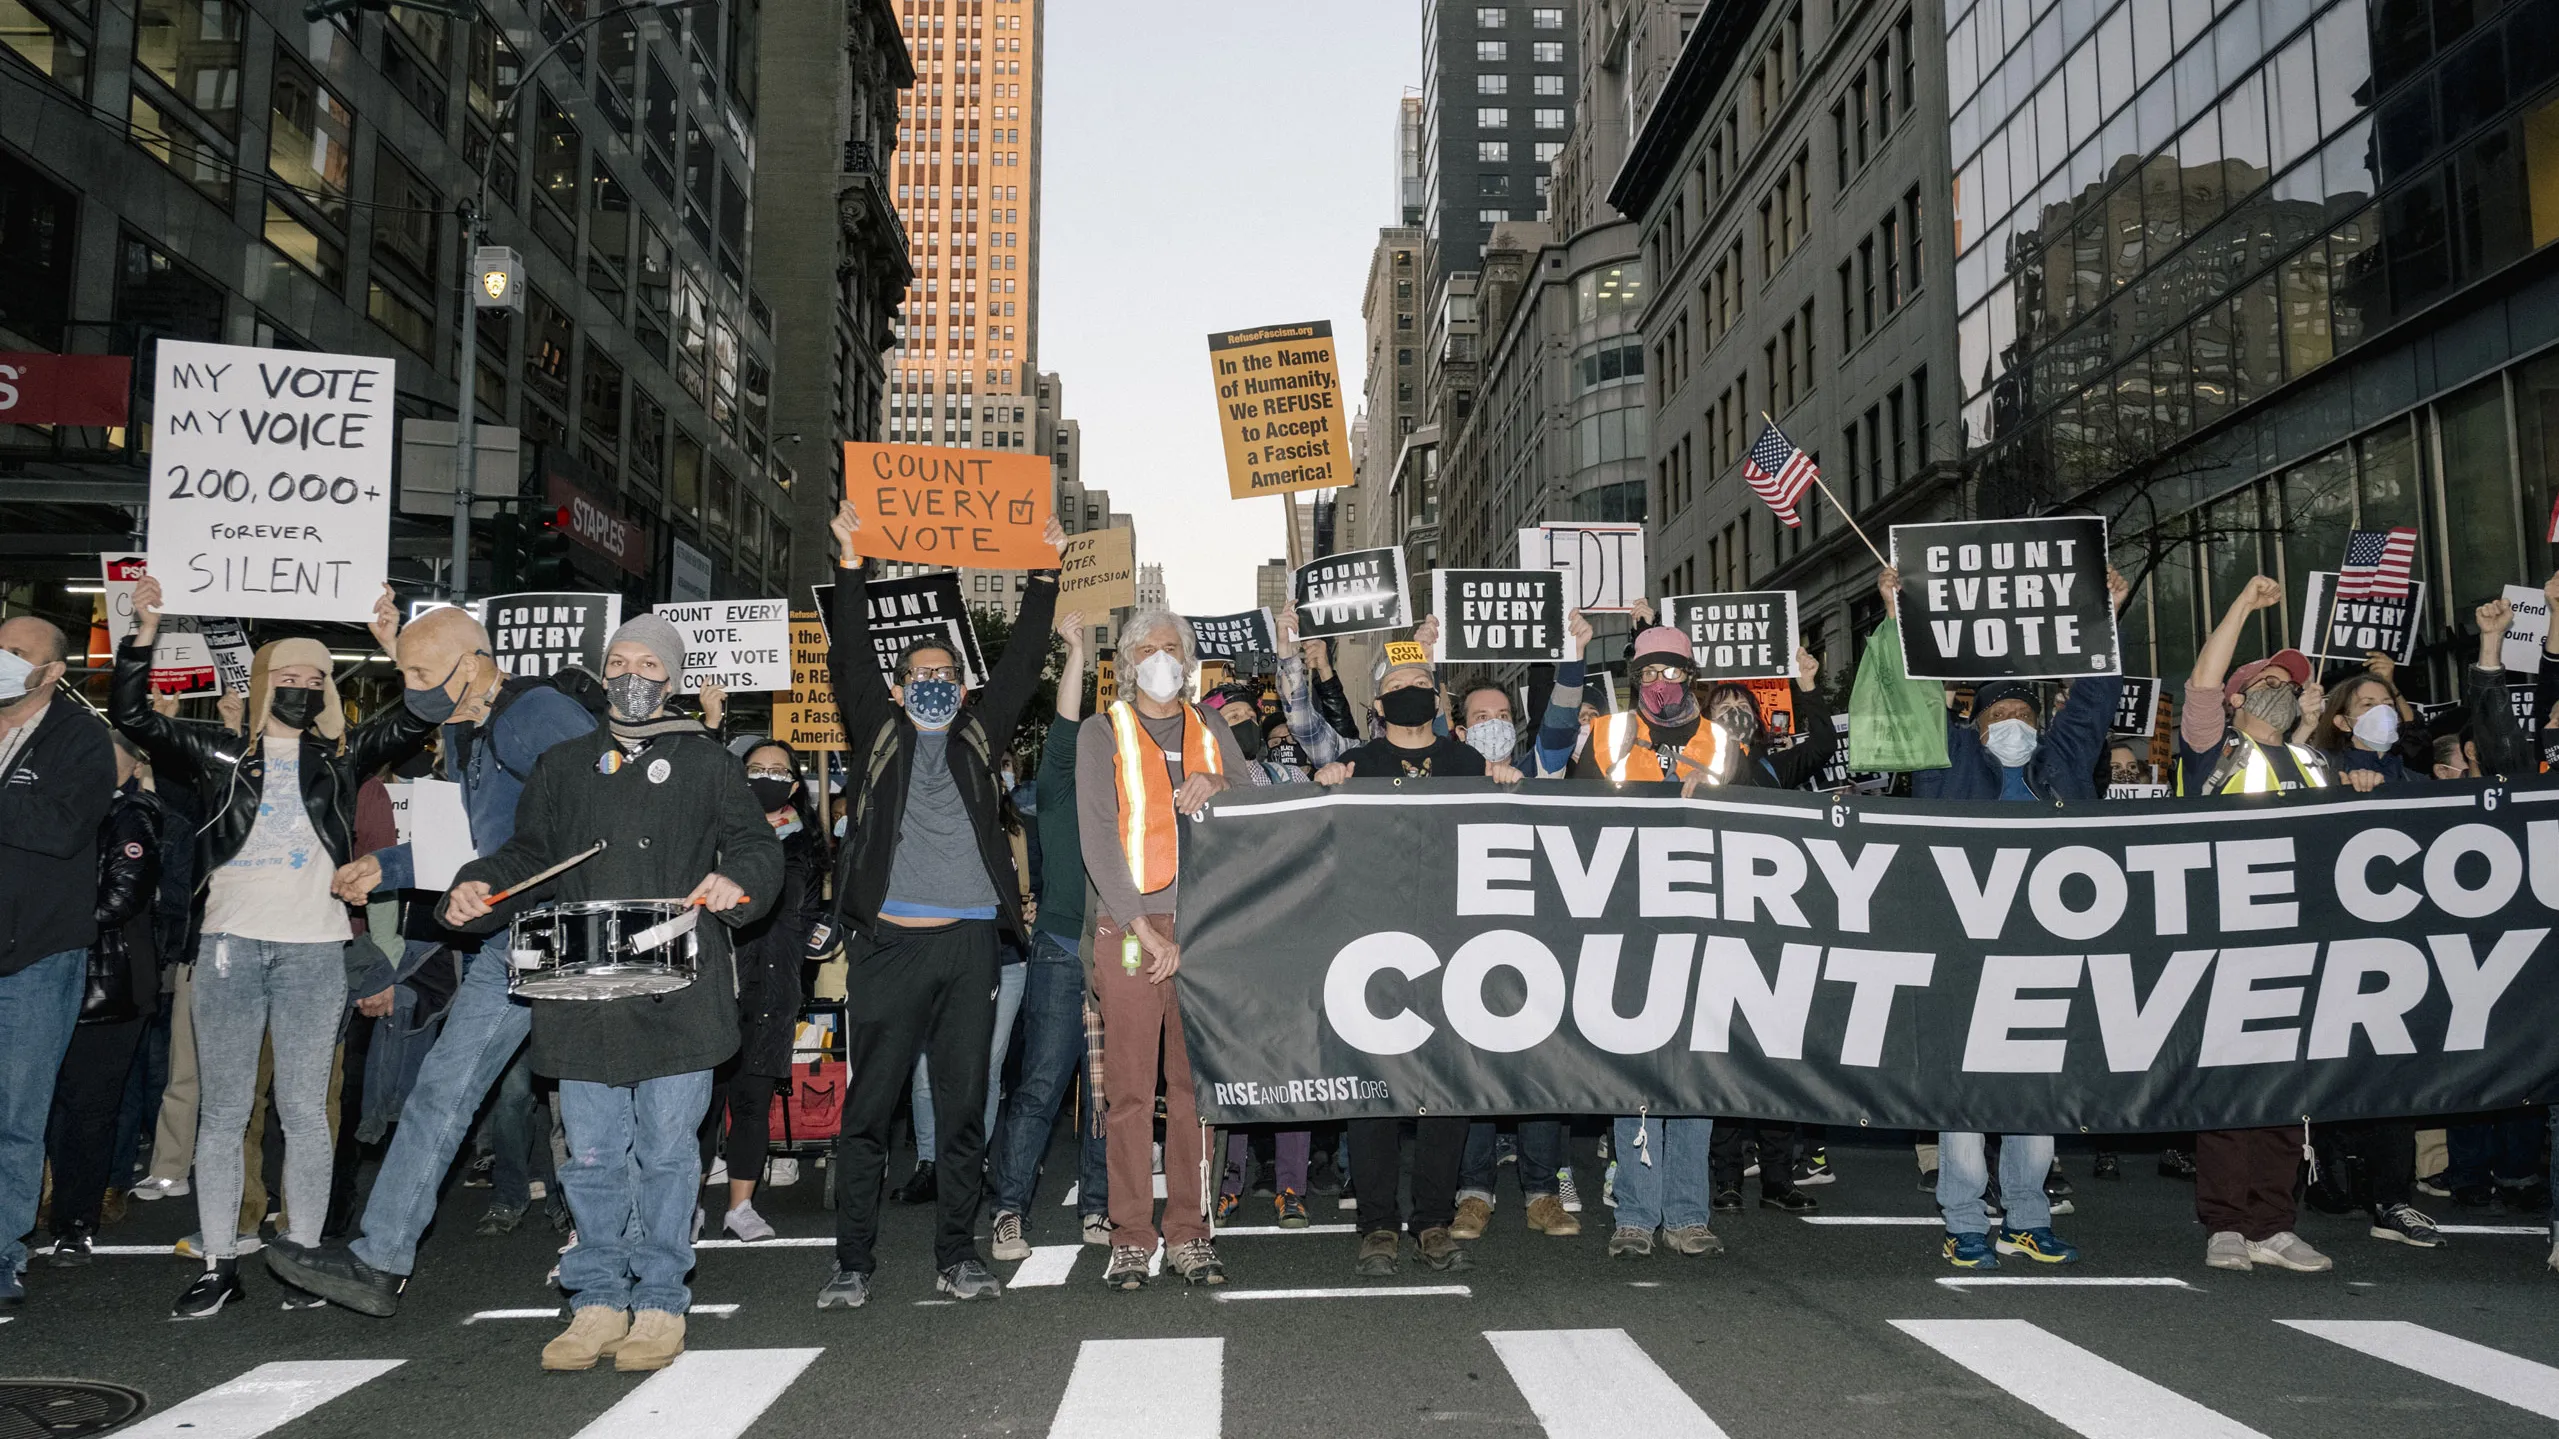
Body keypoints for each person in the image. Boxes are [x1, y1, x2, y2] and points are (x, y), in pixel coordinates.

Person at [441, 614, 780, 1372]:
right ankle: (594, 1298)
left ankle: (660, 1302)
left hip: (676, 992)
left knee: (666, 1152)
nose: (633, 674)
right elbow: (527, 852)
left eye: (649, 664)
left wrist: (740, 881)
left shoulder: (708, 763)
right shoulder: (562, 765)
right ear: (602, 672)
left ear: (672, 678)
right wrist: (477, 885)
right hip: (579, 990)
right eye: (619, 661)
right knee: (591, 1155)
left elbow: (757, 845)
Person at [268, 602, 600, 1317]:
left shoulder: (535, 713)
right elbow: (476, 845)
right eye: (404, 674)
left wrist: (478, 881)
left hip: (558, 931)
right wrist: (385, 866)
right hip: (517, 933)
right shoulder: (476, 724)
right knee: (444, 1094)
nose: (410, 688)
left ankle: (605, 1268)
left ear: (474, 663)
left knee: (588, 1104)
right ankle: (378, 1259)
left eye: (420, 673)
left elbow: (600, 810)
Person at [114, 579, 426, 1318]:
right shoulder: (218, 753)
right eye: (287, 674)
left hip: (316, 951)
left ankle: (306, 1255)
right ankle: (221, 1258)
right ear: (260, 681)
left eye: (315, 677)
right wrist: (146, 630)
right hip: (229, 948)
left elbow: (418, 715)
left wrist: (394, 644)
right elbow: (130, 714)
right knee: (222, 1111)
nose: (302, 685)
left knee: (303, 1111)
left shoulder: (342, 757)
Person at [819, 497, 1063, 1309]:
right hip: (888, 947)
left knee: (964, 1110)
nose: (933, 684)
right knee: (869, 1111)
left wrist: (1045, 573)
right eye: (919, 675)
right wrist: (850, 562)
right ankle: (852, 1262)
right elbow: (848, 652)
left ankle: (956, 1256)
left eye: (946, 676)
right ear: (897, 687)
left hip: (969, 951)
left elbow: (1027, 661)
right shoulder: (877, 733)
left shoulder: (978, 738)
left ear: (964, 689)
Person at [1869, 563, 2127, 1270]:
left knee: (2038, 1100)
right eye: (1997, 715)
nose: (2012, 724)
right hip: (1962, 961)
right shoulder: (1944, 764)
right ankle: (1963, 1217)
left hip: (2044, 958)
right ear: (1974, 723)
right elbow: (1910, 703)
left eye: (2022, 714)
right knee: (1962, 1100)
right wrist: (1897, 618)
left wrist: (2102, 614)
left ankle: (2026, 1215)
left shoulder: (2064, 765)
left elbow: (2095, 698)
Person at [1314, 654, 1514, 1275]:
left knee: (1445, 1089)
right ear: (1377, 707)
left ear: (1439, 700)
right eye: (1396, 687)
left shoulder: (1469, 765)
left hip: (1453, 946)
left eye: (1420, 686)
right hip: (1372, 947)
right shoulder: (1359, 766)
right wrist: (1321, 790)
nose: (1409, 694)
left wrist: (1510, 788)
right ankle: (1376, 1224)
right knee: (1372, 1085)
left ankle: (1432, 1220)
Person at [1081, 610, 1250, 1290]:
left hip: (1204, 925)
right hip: (1129, 928)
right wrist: (1138, 926)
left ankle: (1188, 1230)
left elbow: (1255, 800)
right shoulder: (1103, 731)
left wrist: (1222, 786)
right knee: (1127, 1088)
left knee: (1194, 1090)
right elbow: (1096, 834)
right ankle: (1129, 1235)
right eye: (1146, 648)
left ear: (1189, 661)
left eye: (1170, 648)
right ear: (1126, 661)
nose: (1159, 657)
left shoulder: (1212, 729)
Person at [2173, 574, 2335, 1274]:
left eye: (2291, 680)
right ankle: (2226, 1223)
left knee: (2283, 1092)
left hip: (2294, 943)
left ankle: (2274, 1221)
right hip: (2220, 941)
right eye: (2268, 676)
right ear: (2238, 697)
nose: (2282, 682)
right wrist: (2241, 602)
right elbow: (2202, 682)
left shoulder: (2309, 761)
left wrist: (2309, 727)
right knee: (2228, 1086)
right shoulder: (2214, 748)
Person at [987, 609, 1117, 1261]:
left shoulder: (1135, 807)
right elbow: (1065, 724)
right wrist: (1076, 652)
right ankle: (1009, 1208)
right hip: (1064, 950)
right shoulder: (1062, 792)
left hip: (1119, 955)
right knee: (1041, 1082)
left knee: (1106, 1092)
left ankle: (1099, 1207)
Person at [0, 614, 116, 1309]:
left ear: (52, 672)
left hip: (36, 956)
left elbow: (63, 828)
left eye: (17, 653)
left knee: (14, 1111)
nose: (3, 659)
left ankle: (2, 1250)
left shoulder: (80, 738)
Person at [1446, 679, 1579, 1242]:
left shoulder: (1539, 771)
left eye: (1502, 714)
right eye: (1480, 716)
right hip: (1463, 944)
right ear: (1458, 729)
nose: (1492, 723)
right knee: (1472, 1070)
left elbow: (1560, 728)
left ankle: (1542, 1194)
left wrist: (1571, 660)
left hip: (1537, 943)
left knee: (1539, 1070)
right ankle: (1474, 1193)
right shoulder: (1446, 776)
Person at [41, 733, 166, 1265]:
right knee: (46, 1109)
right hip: (59, 978)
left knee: (88, 1112)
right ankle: (50, 1213)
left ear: (134, 767)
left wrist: (37, 924)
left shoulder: (131, 817)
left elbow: (119, 898)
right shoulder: (69, 812)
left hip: (107, 990)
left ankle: (75, 1222)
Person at [710, 739, 830, 1242]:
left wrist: (823, 930)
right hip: (717, 981)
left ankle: (741, 1206)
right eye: (755, 769)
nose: (765, 778)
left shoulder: (809, 845)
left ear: (795, 785)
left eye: (777, 771)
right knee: (703, 1103)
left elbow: (811, 913)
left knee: (753, 1099)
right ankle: (683, 1205)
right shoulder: (714, 836)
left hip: (775, 983)